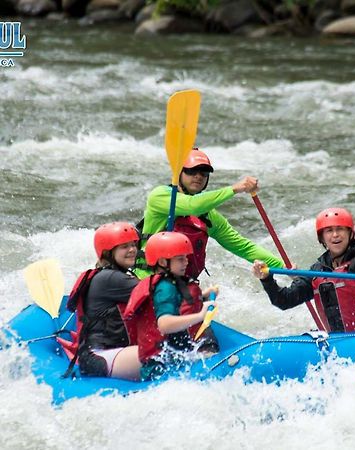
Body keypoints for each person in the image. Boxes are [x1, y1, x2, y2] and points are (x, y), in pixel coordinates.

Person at [133, 148, 283, 279]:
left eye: (203, 173)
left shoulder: (208, 217)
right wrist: (235, 188)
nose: (198, 176)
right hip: (145, 281)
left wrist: (283, 267)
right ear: (179, 172)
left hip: (180, 287)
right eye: (191, 171)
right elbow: (192, 206)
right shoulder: (161, 196)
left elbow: (243, 247)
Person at [252, 207, 355, 333]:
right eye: (329, 231)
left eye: (340, 229)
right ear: (322, 238)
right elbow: (284, 301)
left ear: (350, 234)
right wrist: (266, 279)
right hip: (335, 341)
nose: (335, 235)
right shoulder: (318, 270)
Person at [124, 231, 217, 381]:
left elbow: (180, 303)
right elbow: (164, 324)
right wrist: (200, 316)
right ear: (162, 262)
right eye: (180, 259)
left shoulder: (169, 282)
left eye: (186, 258)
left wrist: (205, 295)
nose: (186, 262)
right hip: (160, 366)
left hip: (172, 357)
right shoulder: (164, 288)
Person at [64, 222, 143, 380]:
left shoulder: (109, 275)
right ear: (108, 252)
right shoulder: (111, 278)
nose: (132, 250)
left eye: (133, 244)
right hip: (99, 357)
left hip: (112, 353)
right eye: (124, 246)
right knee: (158, 352)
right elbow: (157, 296)